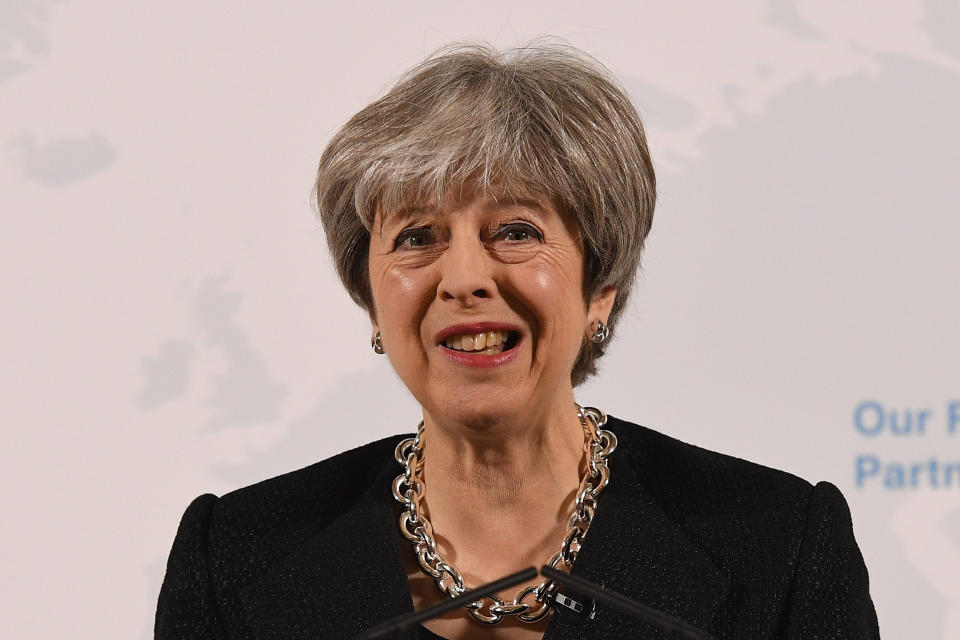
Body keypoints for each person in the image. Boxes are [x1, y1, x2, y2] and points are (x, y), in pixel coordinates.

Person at [155, 43, 880, 640]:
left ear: (602, 286)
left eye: (515, 232)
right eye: (417, 238)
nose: (464, 276)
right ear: (371, 298)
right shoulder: (235, 557)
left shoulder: (782, 547)